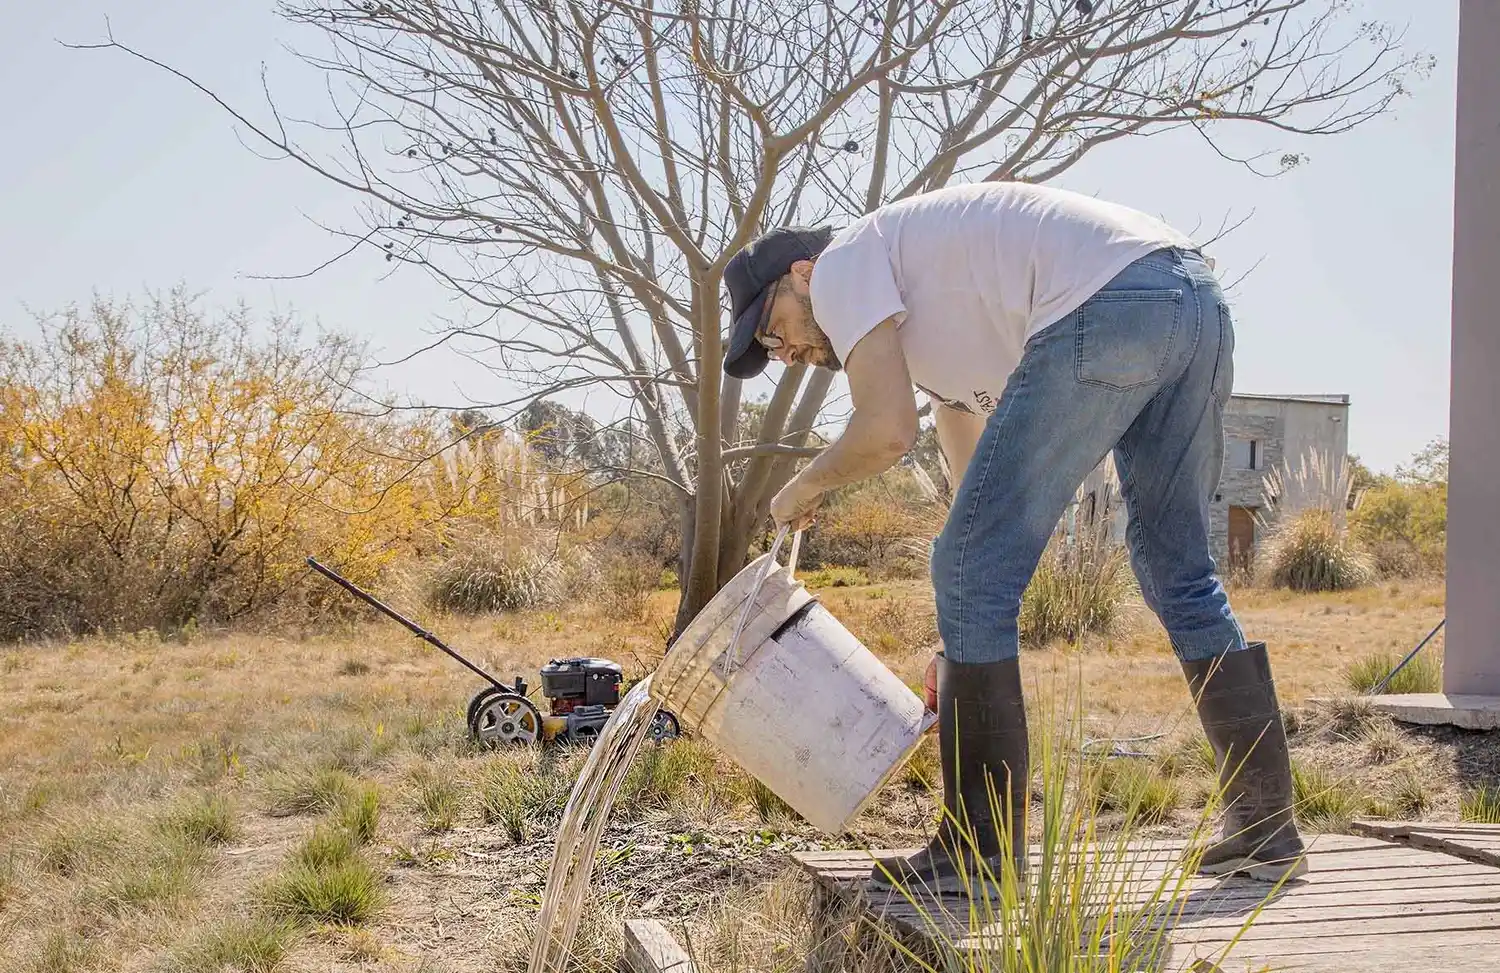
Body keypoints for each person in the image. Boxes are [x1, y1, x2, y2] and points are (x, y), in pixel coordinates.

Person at [720, 181, 1306, 898]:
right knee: (1174, 568)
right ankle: (1267, 828)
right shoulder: (940, 333)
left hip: (1114, 299)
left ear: (801, 275)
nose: (783, 353)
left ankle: (978, 855)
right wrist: (956, 643)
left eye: (773, 330)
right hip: (1193, 302)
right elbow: (977, 515)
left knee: (976, 567)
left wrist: (804, 486)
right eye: (767, 350)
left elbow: (884, 431)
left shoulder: (841, 264)